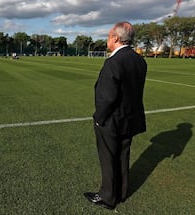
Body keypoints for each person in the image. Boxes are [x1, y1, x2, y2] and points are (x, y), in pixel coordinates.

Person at [84, 21, 147, 210]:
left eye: (109, 35)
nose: (107, 39)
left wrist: (99, 118)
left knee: (108, 157)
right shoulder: (139, 60)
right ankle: (121, 191)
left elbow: (107, 97)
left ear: (116, 38)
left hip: (111, 119)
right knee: (122, 155)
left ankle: (107, 196)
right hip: (129, 118)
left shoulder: (114, 61)